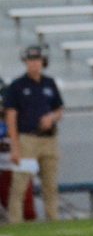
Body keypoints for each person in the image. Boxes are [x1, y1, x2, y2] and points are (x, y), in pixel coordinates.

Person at [5, 45, 63, 223]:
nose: (34, 64)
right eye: (31, 61)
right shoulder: (17, 86)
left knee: (50, 184)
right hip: (27, 139)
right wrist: (15, 146)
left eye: (37, 60)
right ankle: (15, 221)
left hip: (48, 139)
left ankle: (53, 219)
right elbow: (11, 117)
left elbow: (59, 109)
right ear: (26, 62)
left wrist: (51, 118)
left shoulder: (49, 83)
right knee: (20, 184)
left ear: (42, 62)